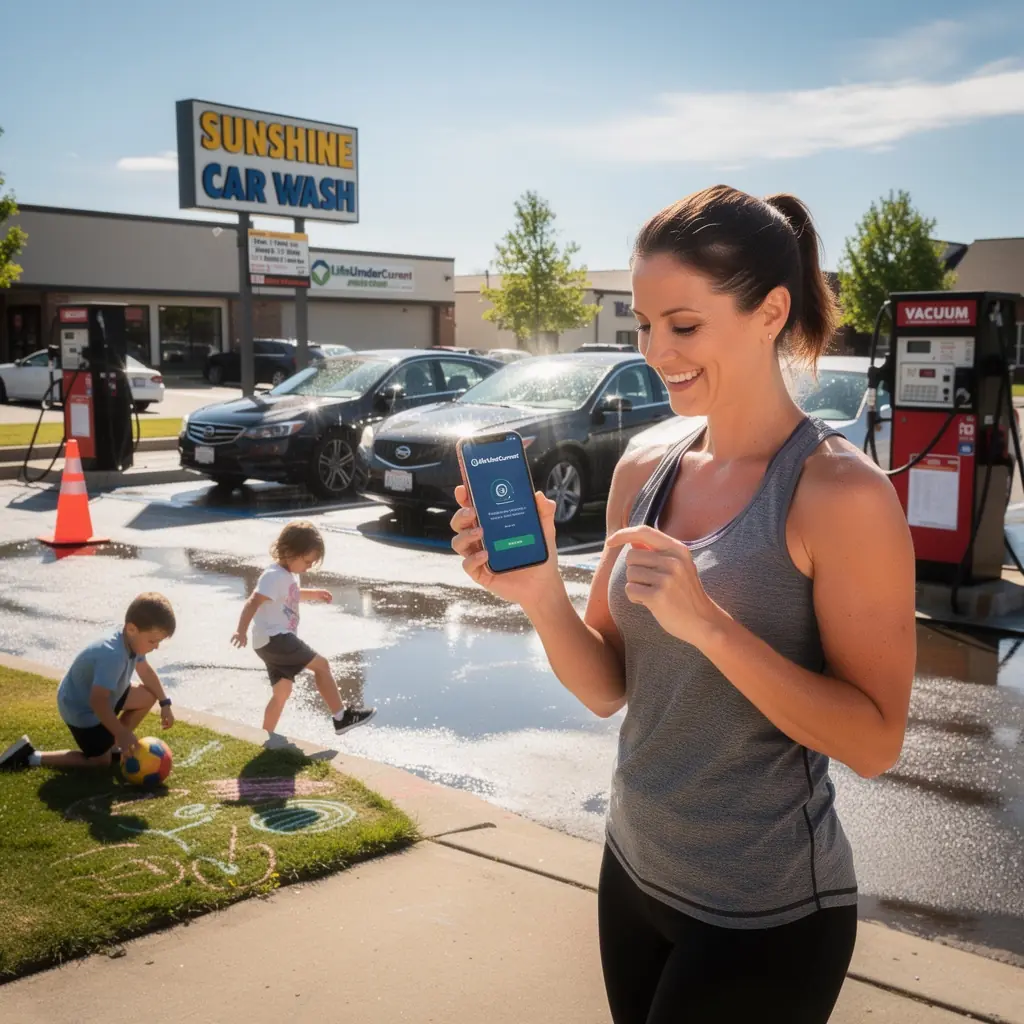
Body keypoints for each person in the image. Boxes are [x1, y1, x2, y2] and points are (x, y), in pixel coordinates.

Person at [451, 185, 916, 1023]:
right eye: (644, 324)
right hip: (632, 871)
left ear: (772, 311)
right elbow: (606, 687)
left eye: (685, 325)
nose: (656, 350)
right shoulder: (643, 464)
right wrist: (538, 592)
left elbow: (876, 740)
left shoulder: (840, 493)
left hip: (767, 911)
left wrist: (711, 628)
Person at [0, 592, 178, 772]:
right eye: (153, 641)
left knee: (147, 696)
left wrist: (165, 702)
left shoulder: (132, 639)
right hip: (82, 709)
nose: (156, 646)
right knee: (99, 763)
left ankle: (111, 746)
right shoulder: (113, 655)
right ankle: (29, 756)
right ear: (132, 629)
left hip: (106, 694)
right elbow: (98, 702)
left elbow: (145, 670)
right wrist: (123, 733)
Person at [232, 519, 376, 737]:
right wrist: (240, 630)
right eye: (308, 562)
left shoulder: (288, 575)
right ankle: (341, 717)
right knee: (322, 666)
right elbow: (253, 601)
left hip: (268, 643)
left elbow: (292, 594)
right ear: (289, 552)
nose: (308, 567)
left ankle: (264, 737)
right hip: (276, 638)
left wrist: (314, 593)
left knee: (282, 692)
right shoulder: (273, 576)